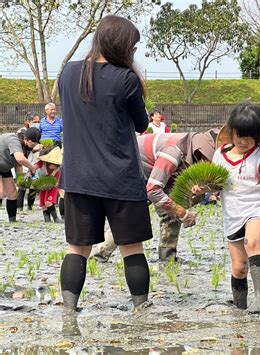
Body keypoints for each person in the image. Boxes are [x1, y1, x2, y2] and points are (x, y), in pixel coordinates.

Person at [58, 15, 152, 311]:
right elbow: (141, 124)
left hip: (78, 178)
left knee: (77, 248)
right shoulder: (126, 79)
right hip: (120, 178)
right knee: (131, 247)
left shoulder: (68, 74)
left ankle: (69, 309)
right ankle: (140, 306)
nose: (133, 53)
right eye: (132, 47)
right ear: (121, 45)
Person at [93, 129, 218, 262]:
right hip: (132, 171)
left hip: (155, 175)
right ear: (198, 152)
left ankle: (167, 258)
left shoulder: (191, 153)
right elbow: (152, 190)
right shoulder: (173, 152)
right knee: (129, 217)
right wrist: (183, 213)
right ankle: (99, 255)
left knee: (171, 213)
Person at [207, 102, 260, 314]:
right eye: (240, 135)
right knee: (239, 267)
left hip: (256, 209)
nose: (244, 141)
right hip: (232, 214)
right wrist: (200, 188)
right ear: (232, 133)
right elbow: (214, 185)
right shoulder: (220, 155)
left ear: (258, 136)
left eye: (250, 137)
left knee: (252, 242)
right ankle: (240, 307)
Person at [0, 128, 41, 222]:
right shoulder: (13, 139)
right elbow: (20, 159)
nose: (32, 147)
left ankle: (12, 220)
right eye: (32, 144)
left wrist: (22, 181)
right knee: (1, 192)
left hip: (4, 168)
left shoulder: (23, 148)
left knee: (12, 193)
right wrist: (32, 168)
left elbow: (18, 166)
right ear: (26, 139)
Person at [36, 147, 63, 223]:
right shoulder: (42, 163)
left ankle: (56, 219)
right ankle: (47, 220)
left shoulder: (58, 169)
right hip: (42, 184)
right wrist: (28, 174)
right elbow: (33, 168)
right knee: (43, 205)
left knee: (48, 202)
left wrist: (51, 185)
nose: (52, 166)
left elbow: (57, 183)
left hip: (52, 186)